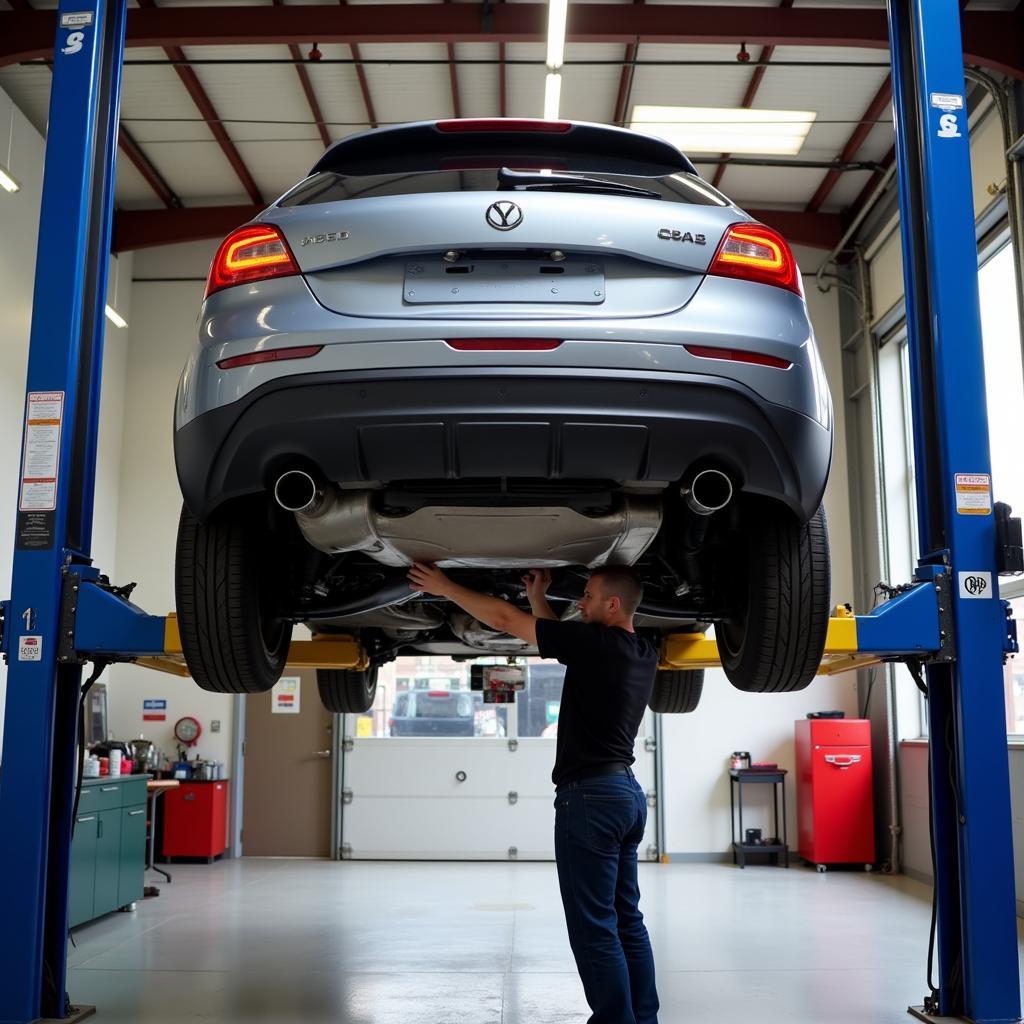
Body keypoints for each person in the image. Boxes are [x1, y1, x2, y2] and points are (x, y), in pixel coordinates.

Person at [407, 560, 660, 1024]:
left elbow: (505, 620)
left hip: (591, 799)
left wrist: (445, 585)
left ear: (613, 603)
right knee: (628, 919)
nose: (580, 602)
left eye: (587, 596)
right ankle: (643, 1019)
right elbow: (555, 638)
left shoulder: (594, 645)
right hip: (626, 794)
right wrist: (539, 597)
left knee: (594, 927)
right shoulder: (642, 651)